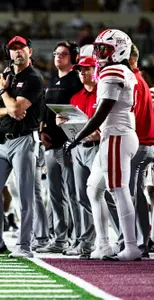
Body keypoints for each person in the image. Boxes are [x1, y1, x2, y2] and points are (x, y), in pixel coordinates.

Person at [66, 29, 141, 261]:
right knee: (93, 188)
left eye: (104, 49)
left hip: (118, 135)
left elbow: (101, 113)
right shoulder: (121, 71)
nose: (99, 54)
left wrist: (77, 137)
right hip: (115, 135)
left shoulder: (114, 71)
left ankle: (131, 247)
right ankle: (104, 244)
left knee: (118, 190)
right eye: (97, 48)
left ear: (119, 49)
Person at [0, 36, 44, 258]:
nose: (17, 52)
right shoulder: (5, 76)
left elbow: (17, 107)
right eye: (13, 49)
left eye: (21, 48)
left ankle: (25, 246)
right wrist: (8, 107)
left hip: (24, 140)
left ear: (29, 51)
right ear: (9, 53)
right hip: (0, 140)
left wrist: (4, 93)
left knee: (24, 195)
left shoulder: (34, 78)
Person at [56, 56, 119, 257]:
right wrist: (63, 122)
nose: (82, 73)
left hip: (98, 148)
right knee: (83, 196)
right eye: (80, 70)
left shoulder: (103, 93)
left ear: (96, 70)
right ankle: (93, 239)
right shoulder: (76, 97)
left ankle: (123, 237)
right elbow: (75, 125)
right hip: (79, 148)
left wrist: (99, 133)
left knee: (106, 194)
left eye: (86, 69)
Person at [38, 40, 83, 254]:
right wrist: (42, 131)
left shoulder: (77, 81)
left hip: (70, 145)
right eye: (56, 53)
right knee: (55, 195)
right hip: (51, 144)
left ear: (74, 58)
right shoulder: (52, 81)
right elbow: (45, 112)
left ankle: (78, 238)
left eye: (64, 54)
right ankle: (59, 239)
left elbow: (80, 113)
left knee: (74, 194)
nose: (58, 57)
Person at [127, 44, 154, 257]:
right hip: (144, 144)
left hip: (139, 144)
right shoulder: (140, 80)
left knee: (129, 194)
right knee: (135, 193)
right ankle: (141, 241)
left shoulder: (133, 81)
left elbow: (130, 115)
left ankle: (137, 243)